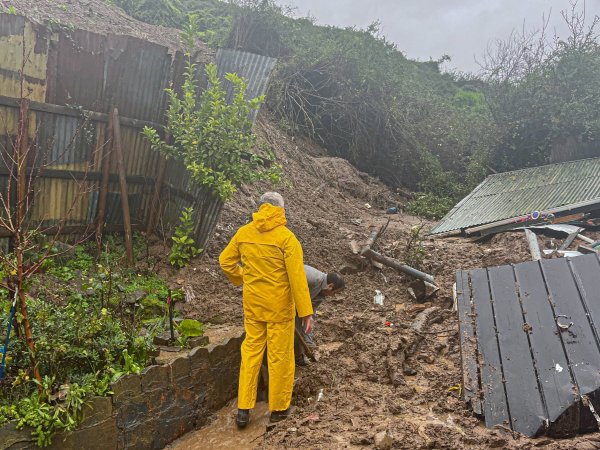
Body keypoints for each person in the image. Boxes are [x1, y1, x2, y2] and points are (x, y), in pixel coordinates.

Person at [219, 192, 314, 428]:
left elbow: (225, 261)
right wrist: (306, 312)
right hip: (279, 308)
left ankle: (243, 409)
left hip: (253, 306)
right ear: (280, 210)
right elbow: (297, 278)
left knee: (251, 353)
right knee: (280, 356)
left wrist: (243, 277)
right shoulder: (286, 238)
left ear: (260, 207)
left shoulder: (243, 233)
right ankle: (279, 410)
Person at [295, 266, 345, 366]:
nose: (333, 296)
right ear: (330, 286)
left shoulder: (321, 293)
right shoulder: (311, 279)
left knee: (298, 326)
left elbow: (308, 317)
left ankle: (298, 357)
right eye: (335, 293)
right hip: (274, 294)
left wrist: (309, 343)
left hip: (294, 304)